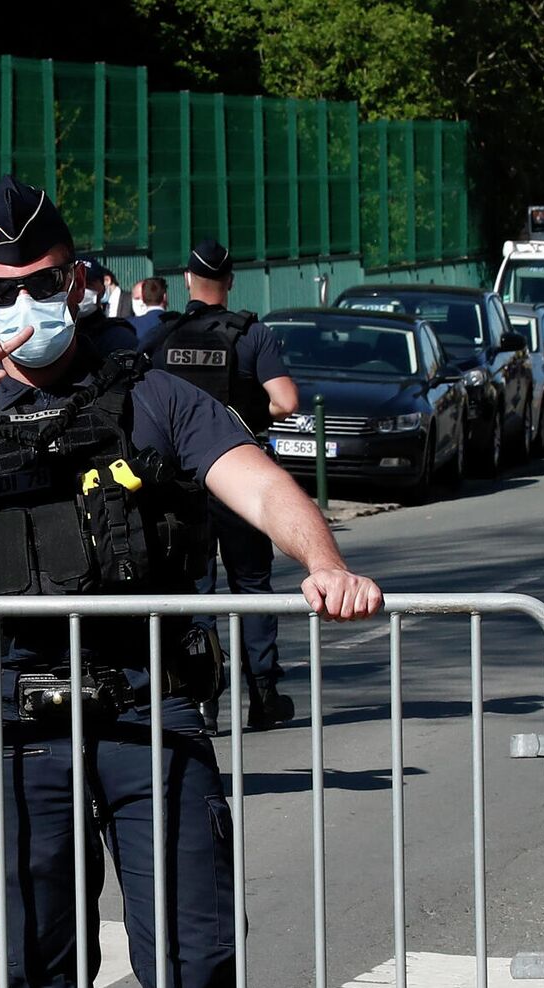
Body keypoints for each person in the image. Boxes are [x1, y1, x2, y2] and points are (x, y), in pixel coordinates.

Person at [0, 176, 381, 988]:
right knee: (40, 986)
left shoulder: (153, 395)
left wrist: (326, 563)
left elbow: (259, 482)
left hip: (145, 710)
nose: (22, 305)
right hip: (12, 721)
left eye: (41, 282)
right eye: (0, 290)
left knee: (195, 967)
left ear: (77, 280)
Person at [145, 238, 299, 731]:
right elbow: (287, 401)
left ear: (187, 280)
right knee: (251, 584)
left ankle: (203, 695)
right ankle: (264, 693)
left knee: (196, 589)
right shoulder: (252, 335)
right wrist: (242, 420)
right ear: (230, 282)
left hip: (182, 483)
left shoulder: (162, 337)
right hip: (239, 474)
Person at [129, 276, 169, 346]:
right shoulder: (178, 323)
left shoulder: (129, 326)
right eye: (137, 298)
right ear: (164, 296)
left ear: (144, 299)